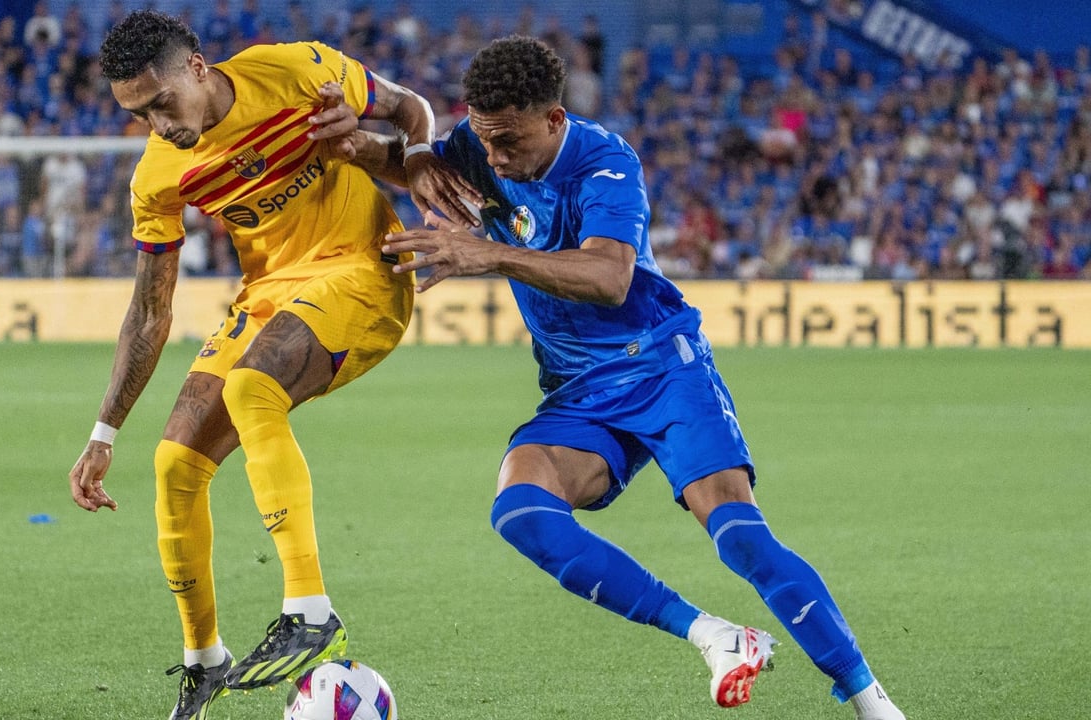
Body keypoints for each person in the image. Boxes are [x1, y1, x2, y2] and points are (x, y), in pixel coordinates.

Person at [351, 36, 906, 719]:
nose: (493, 157)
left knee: (738, 536)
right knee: (519, 511)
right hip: (579, 392)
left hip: (659, 365)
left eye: (509, 141)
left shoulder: (605, 163)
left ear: (553, 121)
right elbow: (413, 163)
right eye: (485, 139)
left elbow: (610, 278)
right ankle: (715, 636)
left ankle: (870, 700)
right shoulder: (479, 143)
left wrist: (486, 253)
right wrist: (373, 149)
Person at [66, 11, 476, 720]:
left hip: (362, 270)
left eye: (161, 103)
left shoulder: (296, 70)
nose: (156, 125)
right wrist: (104, 431)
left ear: (197, 68)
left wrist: (412, 159)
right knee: (173, 464)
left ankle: (310, 609)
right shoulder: (158, 175)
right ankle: (204, 661)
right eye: (137, 115)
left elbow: (411, 109)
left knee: (254, 387)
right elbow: (150, 312)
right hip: (269, 293)